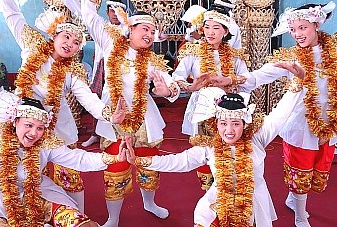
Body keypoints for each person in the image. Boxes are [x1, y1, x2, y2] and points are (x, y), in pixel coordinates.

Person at [124, 64, 305, 226]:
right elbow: (177, 162)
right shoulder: (209, 147)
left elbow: (281, 112)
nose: (229, 130)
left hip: (253, 207)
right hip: (217, 207)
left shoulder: (257, 139)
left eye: (235, 123)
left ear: (245, 123)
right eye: (223, 123)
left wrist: (298, 82)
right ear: (215, 124)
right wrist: (139, 160)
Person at [0, 0, 120, 214]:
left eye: (76, 43)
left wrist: (108, 114)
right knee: (25, 173)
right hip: (22, 122)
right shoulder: (32, 44)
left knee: (70, 176)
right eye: (66, 38)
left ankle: (78, 214)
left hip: (57, 127)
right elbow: (14, 18)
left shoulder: (72, 69)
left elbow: (87, 96)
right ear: (54, 36)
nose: (70, 45)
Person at [209, 1, 337, 227]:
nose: (297, 34)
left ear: (316, 24)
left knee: (319, 169)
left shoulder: (334, 53)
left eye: (303, 27)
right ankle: (300, 214)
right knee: (300, 172)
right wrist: (231, 80)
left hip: (329, 123)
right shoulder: (291, 57)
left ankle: (293, 200)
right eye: (293, 29)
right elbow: (260, 75)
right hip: (300, 125)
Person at [81, 0, 180, 226]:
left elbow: (169, 81)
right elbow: (88, 15)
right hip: (114, 119)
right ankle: (113, 219)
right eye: (145, 29)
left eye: (153, 32)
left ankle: (150, 203)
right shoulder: (110, 43)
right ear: (130, 29)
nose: (149, 35)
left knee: (148, 166)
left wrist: (169, 91)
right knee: (115, 169)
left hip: (144, 120)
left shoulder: (152, 59)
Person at [0, 91, 128, 227]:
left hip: (41, 195)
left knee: (85, 225)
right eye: (28, 125)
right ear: (15, 121)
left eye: (40, 128)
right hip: (4, 202)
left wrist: (114, 158)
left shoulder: (45, 143)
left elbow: (79, 159)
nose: (34, 133)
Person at [172, 3, 250, 191]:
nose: (210, 32)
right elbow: (177, 78)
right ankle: (209, 193)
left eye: (216, 28)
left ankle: (226, 189)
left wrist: (230, 81)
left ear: (225, 31)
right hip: (202, 109)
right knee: (206, 150)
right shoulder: (193, 51)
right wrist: (191, 87)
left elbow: (247, 79)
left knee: (230, 149)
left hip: (230, 110)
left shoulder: (235, 55)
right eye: (207, 26)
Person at [62, 0, 127, 147]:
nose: (114, 14)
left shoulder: (128, 29)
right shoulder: (101, 27)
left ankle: (123, 136)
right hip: (101, 67)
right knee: (97, 100)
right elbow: (83, 13)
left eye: (118, 11)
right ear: (107, 12)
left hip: (123, 72)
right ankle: (96, 134)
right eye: (111, 10)